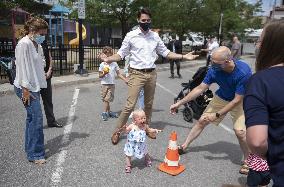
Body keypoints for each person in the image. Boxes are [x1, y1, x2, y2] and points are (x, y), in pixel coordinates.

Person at [100, 8, 198, 145]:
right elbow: (121, 54)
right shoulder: (131, 35)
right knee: (129, 105)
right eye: (143, 20)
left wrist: (183, 56)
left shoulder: (154, 36)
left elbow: (166, 53)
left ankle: (146, 128)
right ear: (138, 20)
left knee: (149, 104)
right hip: (136, 73)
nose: (146, 22)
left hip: (151, 73)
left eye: (148, 20)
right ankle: (117, 131)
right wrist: (110, 59)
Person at [170, 46, 252, 175]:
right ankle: (184, 146)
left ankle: (249, 160)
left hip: (239, 100)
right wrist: (179, 103)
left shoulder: (244, 72)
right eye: (212, 61)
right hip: (222, 97)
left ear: (228, 60)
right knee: (202, 120)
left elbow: (236, 100)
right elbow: (199, 88)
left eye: (216, 63)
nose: (213, 65)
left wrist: (217, 114)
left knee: (240, 132)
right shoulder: (214, 70)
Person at [243, 20, 284, 186]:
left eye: (259, 41)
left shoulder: (261, 81)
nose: (257, 45)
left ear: (270, 45)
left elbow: (257, 141)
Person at [13, 17, 48, 165]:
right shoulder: (24, 44)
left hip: (34, 86)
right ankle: (35, 153)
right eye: (42, 34)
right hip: (25, 87)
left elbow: (39, 63)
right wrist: (25, 89)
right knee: (37, 119)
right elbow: (21, 67)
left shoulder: (36, 45)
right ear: (33, 31)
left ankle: (31, 149)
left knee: (32, 119)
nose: (43, 37)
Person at [38, 22, 61, 128]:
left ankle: (51, 121)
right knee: (36, 103)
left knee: (48, 101)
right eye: (44, 31)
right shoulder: (31, 43)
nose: (45, 33)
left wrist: (50, 69)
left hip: (47, 76)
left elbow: (49, 56)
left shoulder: (43, 41)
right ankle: (37, 124)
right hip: (36, 77)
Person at [99, 46, 128, 121]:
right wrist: (104, 73)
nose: (108, 56)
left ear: (112, 55)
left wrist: (125, 79)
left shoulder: (114, 63)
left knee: (107, 99)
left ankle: (105, 113)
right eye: (106, 54)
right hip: (104, 84)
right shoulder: (102, 64)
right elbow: (100, 76)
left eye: (109, 54)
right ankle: (108, 112)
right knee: (105, 99)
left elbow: (119, 74)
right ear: (104, 55)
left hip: (111, 84)